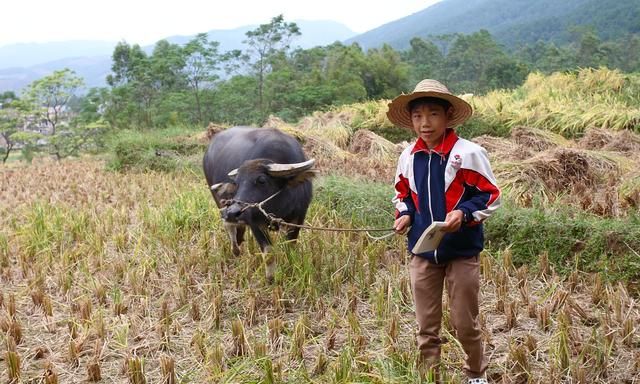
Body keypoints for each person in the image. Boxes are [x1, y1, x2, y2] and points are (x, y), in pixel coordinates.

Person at [387, 79, 501, 384]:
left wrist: (463, 213)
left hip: (461, 252)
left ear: (448, 116)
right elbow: (402, 194)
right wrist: (405, 215)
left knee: (465, 323)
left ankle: (476, 374)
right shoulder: (408, 156)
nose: (425, 123)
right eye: (418, 116)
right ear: (410, 120)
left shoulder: (469, 154)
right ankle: (431, 376)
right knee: (426, 325)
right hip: (423, 251)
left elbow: (489, 194)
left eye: (433, 114)